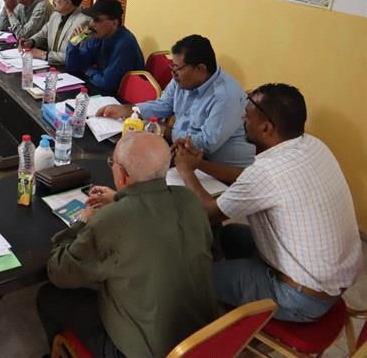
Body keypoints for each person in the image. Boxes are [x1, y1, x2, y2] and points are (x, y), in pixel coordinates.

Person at [175, 83, 363, 322]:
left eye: (248, 115)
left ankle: (221, 309)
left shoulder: (267, 172)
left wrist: (185, 171)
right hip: (331, 280)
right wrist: (199, 164)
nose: (243, 118)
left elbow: (208, 212)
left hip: (300, 297)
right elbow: (249, 178)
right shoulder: (312, 145)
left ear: (266, 128)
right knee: (230, 235)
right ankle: (228, 287)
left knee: (191, 280)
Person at [37, 132, 218, 356]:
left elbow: (59, 272)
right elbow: (154, 217)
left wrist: (81, 221)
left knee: (50, 295)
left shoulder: (113, 219)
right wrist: (120, 199)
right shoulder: (189, 199)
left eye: (112, 163)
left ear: (121, 174)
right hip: (202, 341)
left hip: (141, 351)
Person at [96, 34, 255, 172]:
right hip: (185, 156)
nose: (173, 74)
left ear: (200, 69)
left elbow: (206, 144)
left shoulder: (226, 96)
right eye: (172, 67)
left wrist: (166, 131)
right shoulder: (183, 78)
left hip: (219, 170)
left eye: (177, 69)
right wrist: (129, 110)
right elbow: (164, 104)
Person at [65, 0, 144, 94]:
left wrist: (87, 70)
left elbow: (106, 83)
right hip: (101, 90)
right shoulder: (98, 36)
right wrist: (74, 43)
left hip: (123, 97)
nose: (91, 24)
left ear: (114, 23)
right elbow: (72, 67)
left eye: (97, 20)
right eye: (92, 19)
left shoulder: (125, 44)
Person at [19, 0, 90, 65]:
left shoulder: (84, 24)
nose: (53, 1)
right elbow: (43, 34)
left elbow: (74, 57)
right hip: (50, 66)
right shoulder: (56, 15)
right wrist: (31, 42)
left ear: (68, 2)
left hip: (67, 70)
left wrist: (44, 55)